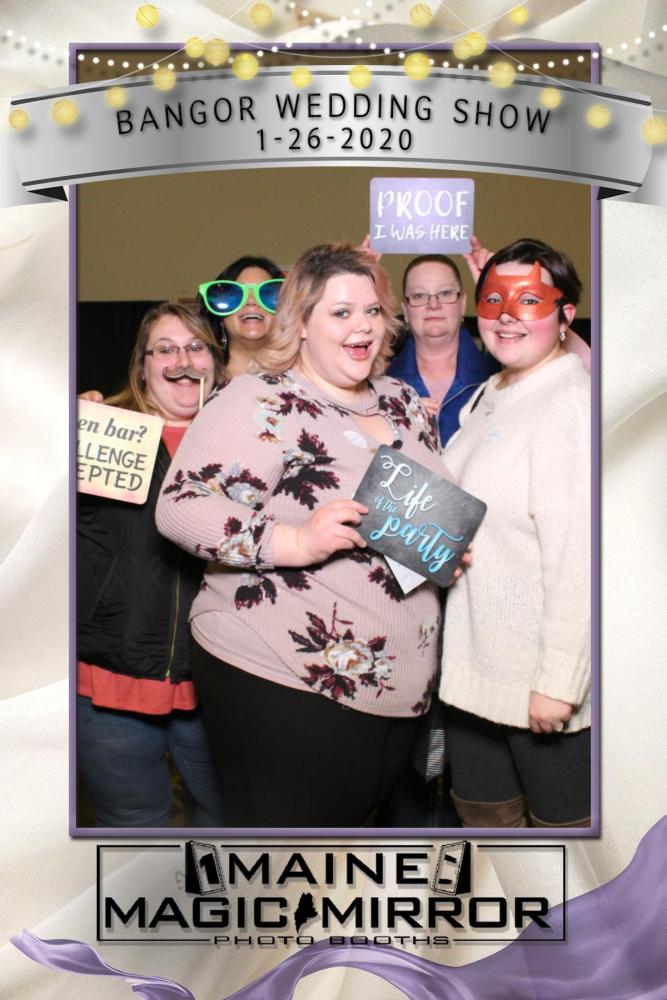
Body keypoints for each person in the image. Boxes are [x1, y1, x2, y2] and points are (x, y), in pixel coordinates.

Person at [156, 243, 458, 828]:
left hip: (396, 691)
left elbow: (415, 519)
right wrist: (295, 543)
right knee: (287, 866)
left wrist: (444, 548)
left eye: (372, 311)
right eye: (341, 312)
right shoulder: (262, 398)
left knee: (344, 861)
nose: (362, 326)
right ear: (300, 322)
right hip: (281, 674)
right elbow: (180, 506)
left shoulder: (401, 402)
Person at [440, 237, 591, 828]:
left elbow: (579, 556)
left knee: (562, 859)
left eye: (529, 300)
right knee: (489, 842)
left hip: (536, 689)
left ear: (565, 314)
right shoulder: (495, 391)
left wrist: (559, 681)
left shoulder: (568, 402)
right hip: (474, 677)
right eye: (493, 299)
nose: (506, 315)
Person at [77, 302, 226, 828]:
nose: (182, 360)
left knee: (232, 822)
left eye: (196, 347)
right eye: (165, 349)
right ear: (142, 367)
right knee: (132, 828)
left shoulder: (246, 441)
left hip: (218, 679)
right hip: (110, 676)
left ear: (215, 362)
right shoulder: (98, 436)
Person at [198, 255, 285, 378]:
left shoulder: (304, 379)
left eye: (266, 293)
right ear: (220, 318)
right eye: (236, 295)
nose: (251, 301)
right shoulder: (201, 380)